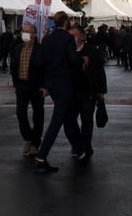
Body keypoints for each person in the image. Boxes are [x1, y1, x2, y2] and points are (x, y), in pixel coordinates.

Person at [32, 11, 82, 173]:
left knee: (67, 116)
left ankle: (80, 147)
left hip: (51, 82)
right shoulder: (67, 39)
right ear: (66, 23)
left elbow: (39, 62)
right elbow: (74, 60)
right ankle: (41, 155)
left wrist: (45, 84)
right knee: (58, 119)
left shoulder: (47, 40)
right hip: (64, 82)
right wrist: (83, 59)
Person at [68, 23, 106, 161]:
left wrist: (101, 90)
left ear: (83, 37)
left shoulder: (92, 50)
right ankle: (77, 144)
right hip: (72, 92)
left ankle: (86, 146)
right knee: (70, 120)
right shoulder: (69, 51)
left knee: (87, 120)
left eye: (74, 35)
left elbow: (100, 70)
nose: (72, 38)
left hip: (88, 91)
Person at [10, 22, 44, 157]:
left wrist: (45, 85)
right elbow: (13, 66)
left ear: (34, 34)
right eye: (24, 31)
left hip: (36, 85)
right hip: (21, 85)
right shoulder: (18, 48)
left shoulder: (40, 49)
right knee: (20, 113)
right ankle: (29, 137)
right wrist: (16, 83)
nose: (25, 34)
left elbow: (45, 68)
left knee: (38, 115)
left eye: (28, 31)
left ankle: (35, 143)